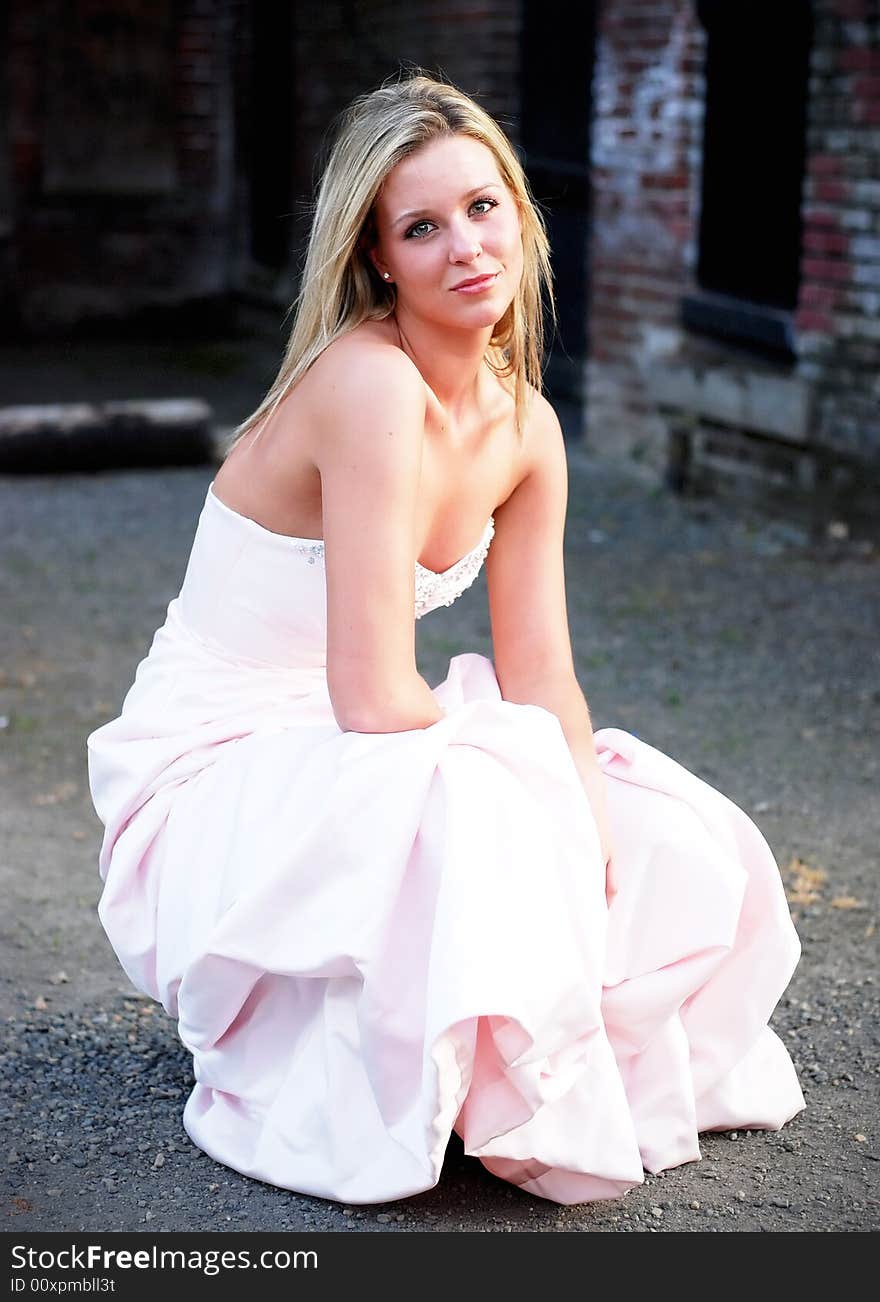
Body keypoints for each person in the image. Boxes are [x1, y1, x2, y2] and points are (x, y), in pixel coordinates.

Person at [86, 70, 805, 1208]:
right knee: (486, 809)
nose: (465, 246)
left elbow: (543, 673)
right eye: (420, 227)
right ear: (378, 258)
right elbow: (373, 692)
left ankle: (501, 1071)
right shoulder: (366, 384)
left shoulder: (527, 423)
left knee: (666, 839)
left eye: (482, 207)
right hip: (220, 771)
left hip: (346, 741)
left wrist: (587, 824)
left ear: (519, 212)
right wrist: (531, 812)